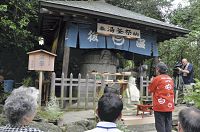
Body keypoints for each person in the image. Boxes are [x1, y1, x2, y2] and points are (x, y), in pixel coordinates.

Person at [148, 62, 174, 132]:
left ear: (158, 69)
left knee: (160, 124)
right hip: (169, 104)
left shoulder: (157, 78)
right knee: (168, 123)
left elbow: (150, 90)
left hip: (160, 105)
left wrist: (151, 82)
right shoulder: (170, 78)